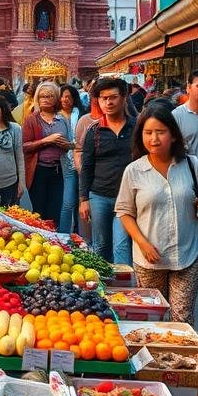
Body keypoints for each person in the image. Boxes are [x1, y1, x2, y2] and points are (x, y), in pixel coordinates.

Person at [115, 106, 198, 325]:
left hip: (187, 254)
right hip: (149, 257)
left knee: (182, 318)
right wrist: (142, 243)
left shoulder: (191, 164)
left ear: (172, 135)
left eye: (160, 131)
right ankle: (155, 360)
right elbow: (124, 212)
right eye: (148, 132)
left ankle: (182, 358)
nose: (154, 138)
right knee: (153, 317)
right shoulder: (133, 171)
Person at [78, 77, 136, 264]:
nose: (108, 102)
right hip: (99, 196)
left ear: (124, 97)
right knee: (101, 245)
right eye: (103, 98)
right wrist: (84, 199)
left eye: (113, 97)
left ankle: (123, 290)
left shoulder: (136, 128)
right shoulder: (93, 131)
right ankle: (102, 289)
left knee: (121, 244)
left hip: (127, 198)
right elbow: (86, 166)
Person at [22, 82, 73, 227]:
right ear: (37, 98)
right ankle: (41, 240)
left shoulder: (62, 119)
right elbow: (24, 146)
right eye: (42, 96)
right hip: (39, 170)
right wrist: (46, 141)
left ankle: (54, 242)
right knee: (39, 211)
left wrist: (67, 145)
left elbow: (69, 143)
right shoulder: (32, 119)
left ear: (56, 98)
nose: (45, 99)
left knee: (55, 210)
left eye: (49, 96)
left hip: (58, 170)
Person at [0, 93, 26, 207]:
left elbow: (20, 156)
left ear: (3, 109)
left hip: (11, 182)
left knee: (11, 217)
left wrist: (22, 182)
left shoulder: (15, 128)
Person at [58, 84, 86, 234]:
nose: (65, 99)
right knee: (69, 202)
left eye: (68, 96)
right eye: (62, 96)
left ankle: (77, 234)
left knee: (81, 200)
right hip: (64, 162)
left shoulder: (81, 114)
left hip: (81, 161)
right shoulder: (56, 116)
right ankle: (63, 235)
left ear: (74, 98)